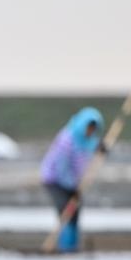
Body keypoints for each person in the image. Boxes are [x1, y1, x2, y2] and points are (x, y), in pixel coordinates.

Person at [39, 107, 105, 252]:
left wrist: (100, 148)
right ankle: (65, 248)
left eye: (93, 129)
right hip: (54, 180)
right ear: (83, 125)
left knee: (76, 212)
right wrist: (73, 187)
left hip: (73, 183)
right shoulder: (66, 139)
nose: (90, 132)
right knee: (66, 212)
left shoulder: (87, 140)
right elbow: (61, 168)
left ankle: (72, 246)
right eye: (89, 128)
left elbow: (91, 147)